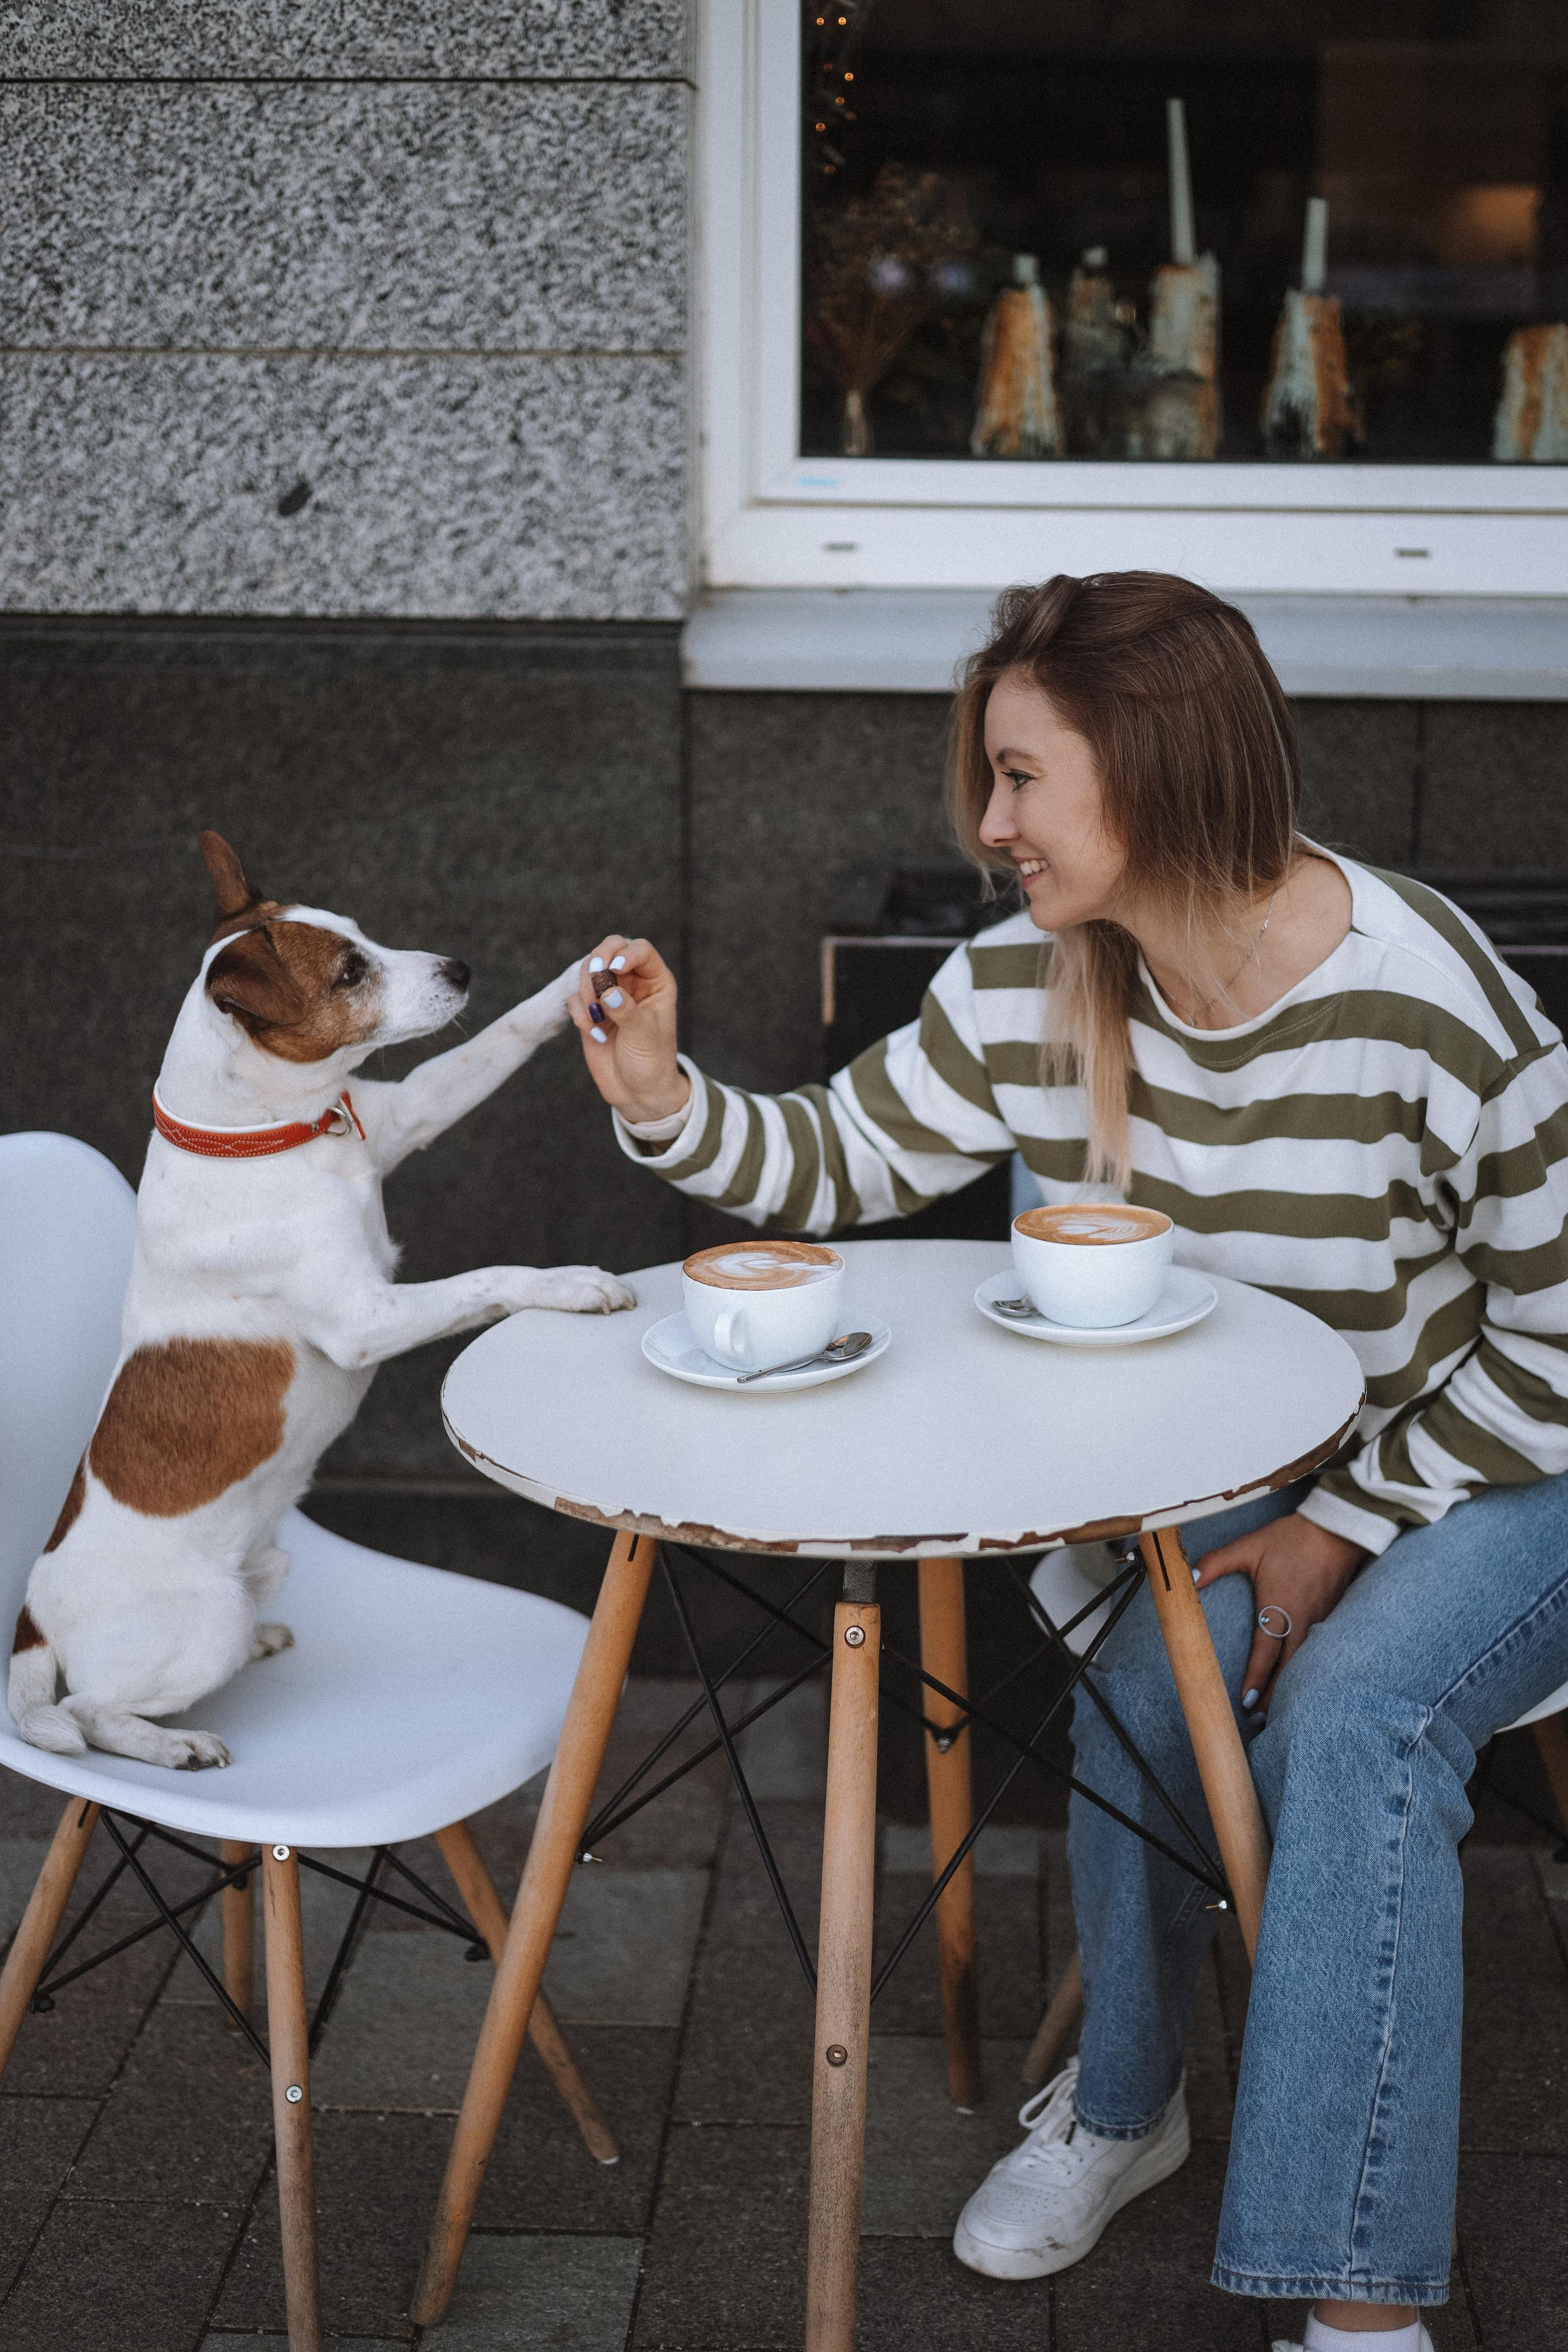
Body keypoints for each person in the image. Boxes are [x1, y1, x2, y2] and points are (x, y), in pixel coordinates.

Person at [565, 572, 1568, 2350]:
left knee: (1351, 1720)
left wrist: (1341, 1529)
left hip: (1502, 1458)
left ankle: (1360, 2314)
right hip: (1259, 1474)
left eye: (1023, 777)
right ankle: (1128, 2105)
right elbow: (839, 1161)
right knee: (1135, 1648)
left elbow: (1560, 1341)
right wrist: (661, 1093)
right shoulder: (1038, 982)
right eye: (992, 777)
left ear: (1159, 769)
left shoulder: (1429, 1004)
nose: (989, 821)